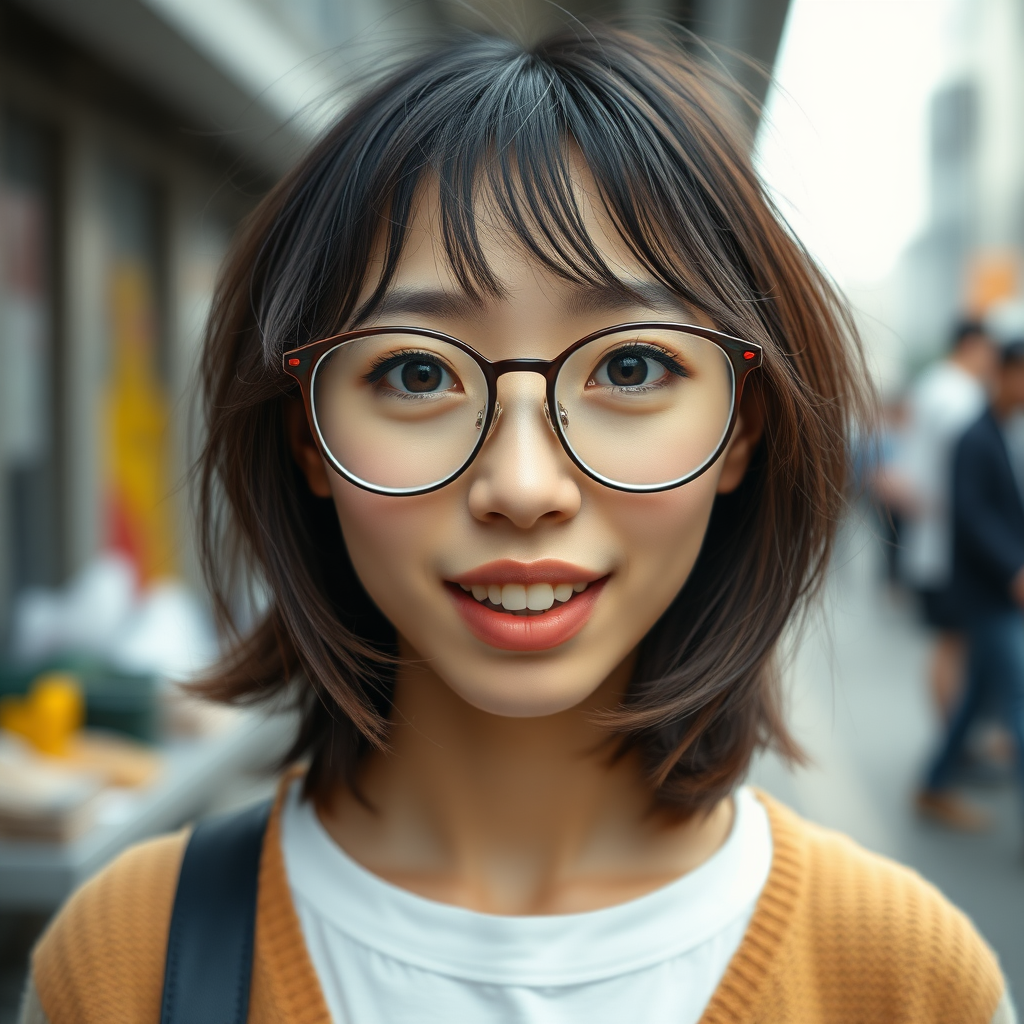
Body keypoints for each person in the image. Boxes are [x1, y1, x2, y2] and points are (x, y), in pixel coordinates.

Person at [22, 26, 1014, 1024]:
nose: (524, 485)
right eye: (416, 372)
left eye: (630, 367)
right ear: (309, 437)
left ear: (740, 429)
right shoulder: (128, 960)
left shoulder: (904, 979)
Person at [918, 339, 1024, 833]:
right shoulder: (975, 434)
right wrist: (1012, 570)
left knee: (978, 696)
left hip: (995, 590)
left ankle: (935, 784)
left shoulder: (1001, 431)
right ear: (1004, 373)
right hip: (987, 592)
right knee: (1016, 700)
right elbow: (972, 516)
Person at [898, 320, 998, 719]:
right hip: (953, 543)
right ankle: (953, 738)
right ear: (973, 346)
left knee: (952, 643)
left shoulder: (931, 386)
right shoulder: (961, 396)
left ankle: (956, 737)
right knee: (955, 644)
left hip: (935, 536)